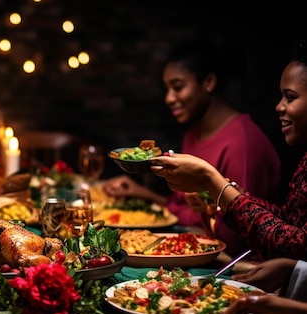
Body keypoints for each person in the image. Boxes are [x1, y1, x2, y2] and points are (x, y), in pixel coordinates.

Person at [102, 38, 281, 257]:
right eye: (166, 89)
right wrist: (143, 194)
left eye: (178, 87)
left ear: (209, 82)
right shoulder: (193, 136)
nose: (169, 98)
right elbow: (185, 210)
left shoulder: (243, 144)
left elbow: (235, 239)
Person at [151, 39, 307, 262]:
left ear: (209, 82)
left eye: (290, 97)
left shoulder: (244, 143)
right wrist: (214, 197)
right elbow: (287, 223)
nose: (279, 106)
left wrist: (211, 181)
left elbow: (285, 244)